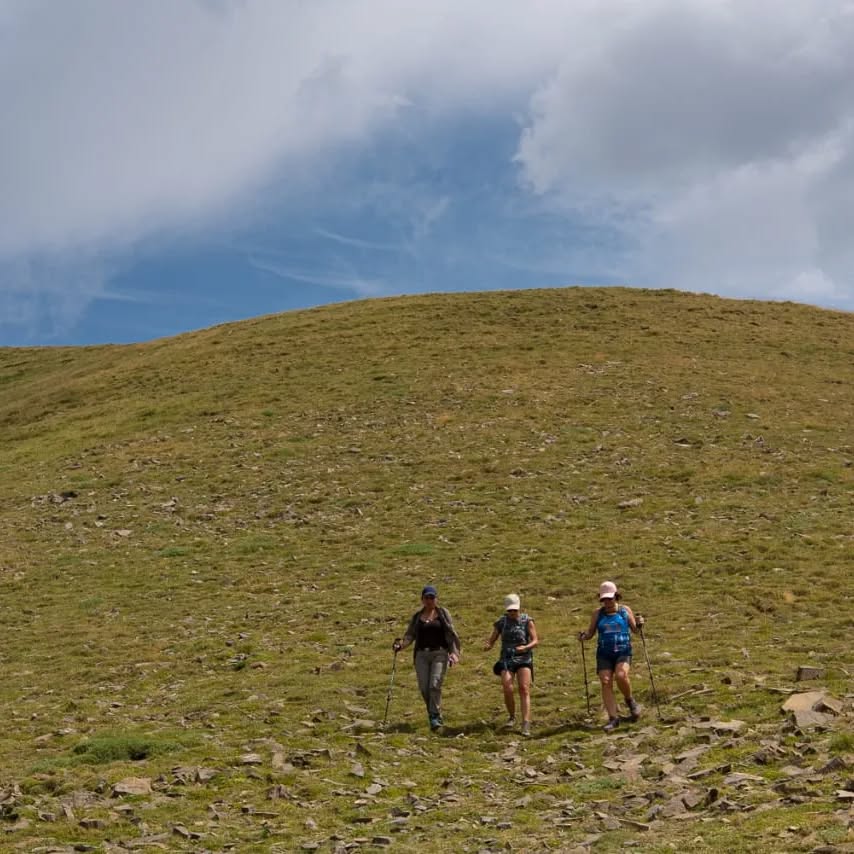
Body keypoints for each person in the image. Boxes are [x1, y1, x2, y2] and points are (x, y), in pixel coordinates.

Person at [578, 580, 645, 732]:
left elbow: (635, 630)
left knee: (621, 675)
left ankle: (630, 700)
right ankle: (613, 718)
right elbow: (590, 633)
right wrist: (583, 636)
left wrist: (640, 624)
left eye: (610, 598)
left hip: (623, 650)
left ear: (616, 596)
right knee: (605, 681)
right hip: (604, 653)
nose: (607, 602)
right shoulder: (597, 613)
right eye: (604, 599)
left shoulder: (624, 610)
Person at [393, 585, 461, 731]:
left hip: (440, 653)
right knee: (424, 688)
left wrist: (454, 652)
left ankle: (435, 716)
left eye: (432, 597)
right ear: (422, 599)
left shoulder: (443, 614)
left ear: (436, 599)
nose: (429, 600)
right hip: (421, 655)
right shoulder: (417, 617)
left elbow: (451, 633)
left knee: (434, 684)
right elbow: (410, 635)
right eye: (427, 598)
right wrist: (401, 646)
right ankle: (434, 713)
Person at [484, 593, 539, 736]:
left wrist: (526, 647)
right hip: (507, 658)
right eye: (510, 610)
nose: (512, 612)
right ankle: (512, 716)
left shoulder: (527, 620)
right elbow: (492, 638)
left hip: (524, 658)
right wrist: (489, 644)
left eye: (514, 610)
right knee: (507, 687)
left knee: (524, 688)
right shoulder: (501, 622)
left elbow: (535, 640)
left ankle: (526, 722)